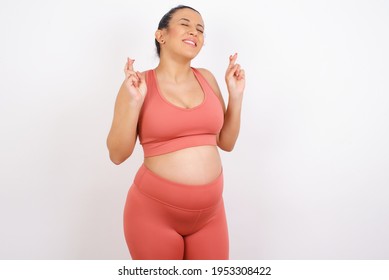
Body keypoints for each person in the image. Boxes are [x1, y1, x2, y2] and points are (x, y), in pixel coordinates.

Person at [106, 5, 245, 260]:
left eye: (200, 29)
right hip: (153, 214)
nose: (195, 31)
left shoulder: (207, 78)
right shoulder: (138, 84)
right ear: (161, 36)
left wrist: (235, 95)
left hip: (210, 215)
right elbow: (117, 154)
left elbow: (226, 142)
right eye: (185, 24)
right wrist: (134, 102)